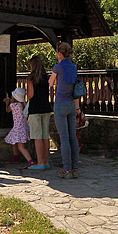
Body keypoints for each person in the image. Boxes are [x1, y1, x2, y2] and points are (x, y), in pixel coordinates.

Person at [49, 42, 79, 179]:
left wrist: (55, 81)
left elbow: (50, 82)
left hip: (60, 103)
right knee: (73, 137)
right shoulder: (73, 67)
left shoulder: (58, 67)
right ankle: (75, 168)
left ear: (59, 53)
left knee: (64, 138)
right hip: (71, 104)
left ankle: (66, 169)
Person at [27, 56, 52, 170]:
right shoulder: (46, 77)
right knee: (45, 136)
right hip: (46, 107)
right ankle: (46, 161)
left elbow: (31, 95)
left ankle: (40, 162)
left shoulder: (31, 78)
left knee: (37, 136)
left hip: (35, 109)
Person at [3, 87, 33, 169]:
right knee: (14, 142)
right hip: (23, 127)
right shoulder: (23, 105)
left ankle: (30, 161)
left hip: (18, 128)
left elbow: (7, 110)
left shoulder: (13, 105)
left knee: (21, 147)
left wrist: (7, 103)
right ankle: (15, 157)